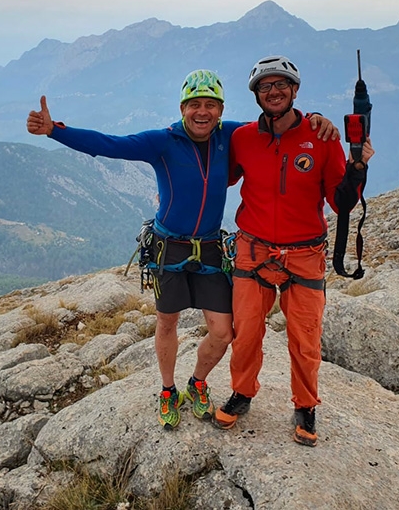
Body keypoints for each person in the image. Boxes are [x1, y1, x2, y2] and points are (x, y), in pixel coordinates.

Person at [27, 69, 338, 430]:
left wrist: (315, 120)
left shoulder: (233, 134)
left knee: (224, 332)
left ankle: (198, 382)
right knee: (167, 322)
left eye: (210, 105)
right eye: (194, 105)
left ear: (221, 110)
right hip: (168, 248)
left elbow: (278, 122)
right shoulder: (163, 141)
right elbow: (109, 144)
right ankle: (168, 389)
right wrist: (55, 130)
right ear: (182, 108)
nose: (202, 112)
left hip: (208, 248)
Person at [212, 55, 374, 447]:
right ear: (256, 95)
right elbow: (220, 172)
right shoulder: (243, 138)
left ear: (295, 90)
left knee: (305, 337)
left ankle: (305, 405)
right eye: (265, 86)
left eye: (280, 84)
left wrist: (357, 167)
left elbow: (342, 203)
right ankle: (242, 392)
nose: (273, 91)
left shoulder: (323, 138)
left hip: (304, 252)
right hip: (253, 248)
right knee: (246, 331)